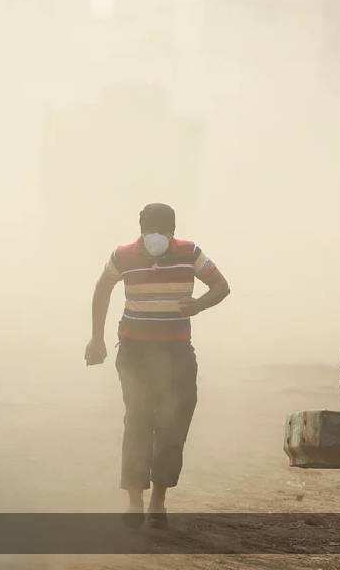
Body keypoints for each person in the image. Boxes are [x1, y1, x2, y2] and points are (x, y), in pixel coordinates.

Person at [85, 203, 230, 527]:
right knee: (137, 419)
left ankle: (158, 500)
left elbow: (222, 286)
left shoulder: (190, 253)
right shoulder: (123, 255)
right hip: (135, 352)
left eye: (162, 232)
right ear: (140, 231)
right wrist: (97, 339)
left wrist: (198, 304)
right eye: (150, 231)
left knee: (172, 423)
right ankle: (134, 501)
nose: (156, 239)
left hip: (176, 351)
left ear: (172, 232)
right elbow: (102, 288)